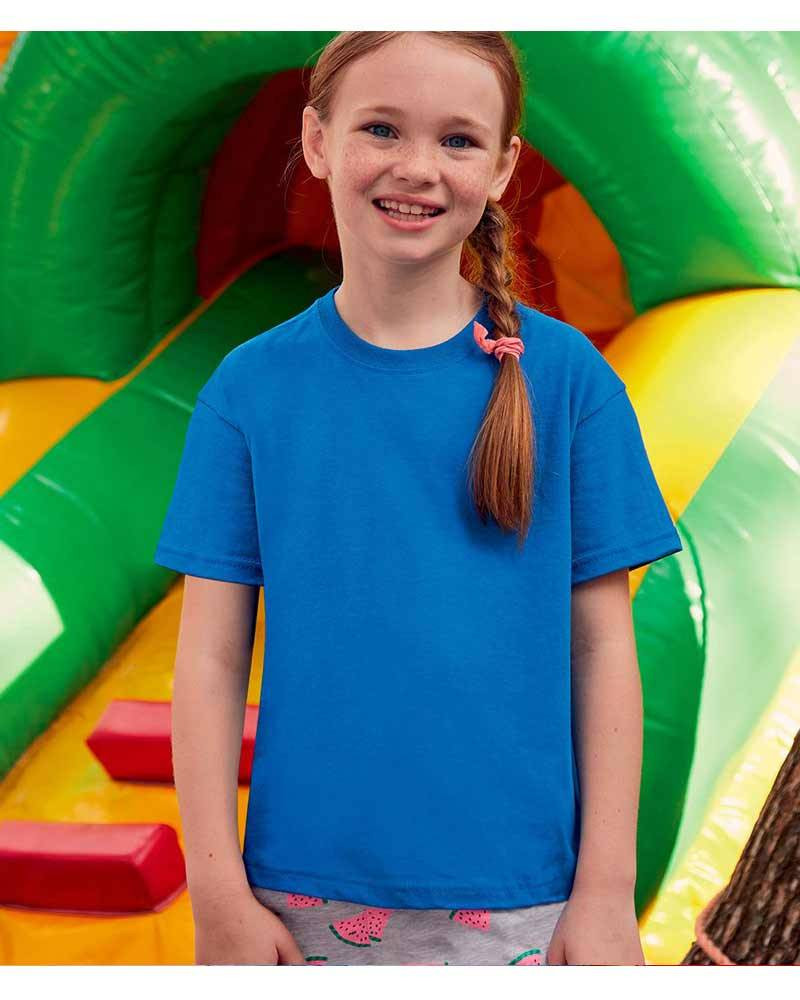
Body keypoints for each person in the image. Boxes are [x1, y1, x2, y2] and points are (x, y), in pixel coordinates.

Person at [154, 31, 683, 966]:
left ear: (503, 167)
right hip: (296, 900)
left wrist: (606, 892)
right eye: (382, 128)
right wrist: (218, 896)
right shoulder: (249, 391)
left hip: (531, 903)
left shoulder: (569, 382)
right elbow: (208, 659)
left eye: (458, 139)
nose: (417, 167)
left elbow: (602, 649)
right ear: (317, 141)